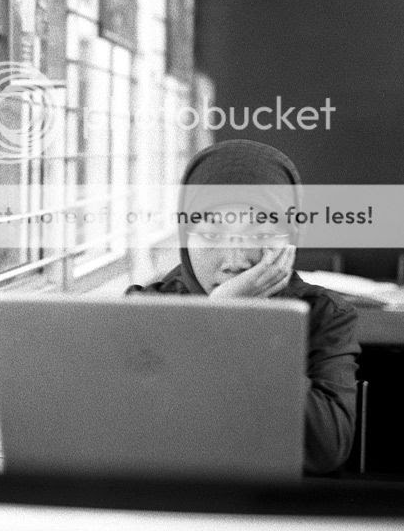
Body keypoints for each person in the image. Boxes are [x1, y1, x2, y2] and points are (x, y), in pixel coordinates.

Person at [127, 139, 360, 475]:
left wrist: (243, 326)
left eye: (260, 235)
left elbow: (325, 448)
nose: (235, 261)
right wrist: (212, 321)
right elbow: (133, 435)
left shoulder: (326, 315)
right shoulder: (144, 310)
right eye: (211, 236)